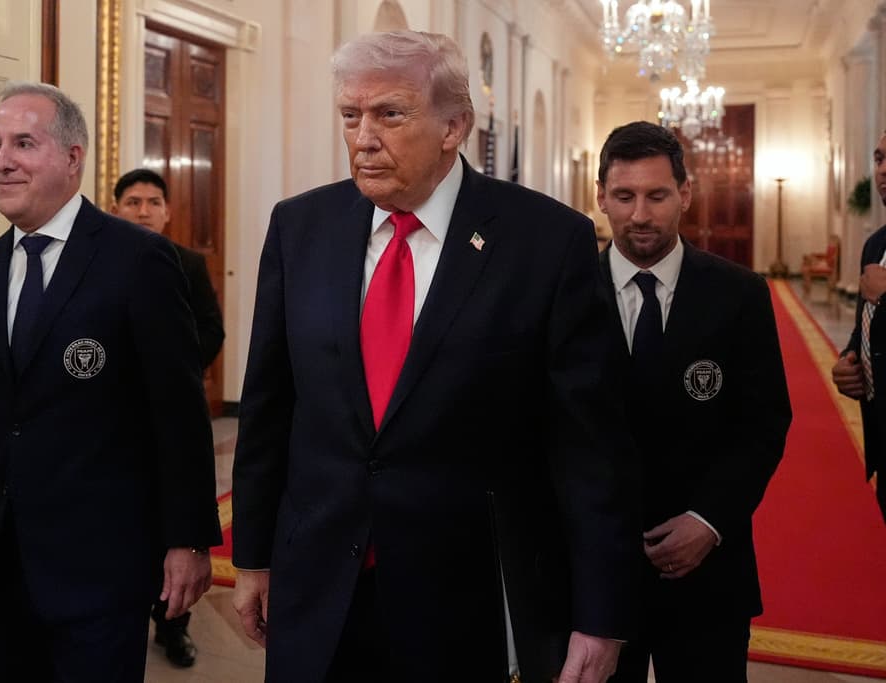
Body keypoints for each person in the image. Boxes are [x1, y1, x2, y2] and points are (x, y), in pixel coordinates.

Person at [231, 30, 640, 683]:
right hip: (320, 582)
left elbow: (591, 449)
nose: (363, 137)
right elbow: (270, 408)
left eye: (389, 114)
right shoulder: (298, 228)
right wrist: (252, 556)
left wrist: (600, 613)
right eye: (349, 115)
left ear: (454, 126)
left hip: (469, 596)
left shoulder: (545, 242)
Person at [0, 81, 222, 683]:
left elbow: (177, 416)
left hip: (104, 562)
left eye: (24, 142)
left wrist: (189, 541)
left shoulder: (139, 261)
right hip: (2, 565)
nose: (1, 160)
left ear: (73, 158)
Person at [596, 121, 792, 682]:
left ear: (685, 193)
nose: (640, 214)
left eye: (657, 195)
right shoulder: (567, 294)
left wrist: (710, 520)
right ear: (601, 196)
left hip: (709, 571)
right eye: (625, 196)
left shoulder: (739, 295)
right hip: (595, 573)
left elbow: (764, 424)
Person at [112, 167, 225, 667]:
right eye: (132, 201)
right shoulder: (101, 261)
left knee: (172, 517)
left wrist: (169, 368)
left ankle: (173, 625)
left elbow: (210, 330)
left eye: (152, 201)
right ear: (116, 208)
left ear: (168, 210)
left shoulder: (188, 263)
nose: (142, 210)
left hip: (172, 413)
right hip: (115, 416)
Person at [832, 130, 886, 524]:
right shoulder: (875, 245)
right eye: (879, 159)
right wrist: (850, 360)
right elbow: (864, 326)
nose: (883, 170)